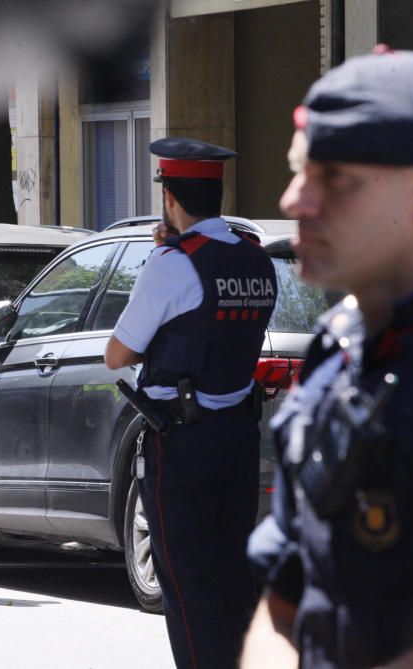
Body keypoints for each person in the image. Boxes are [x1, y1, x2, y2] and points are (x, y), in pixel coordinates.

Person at [242, 49, 413, 669]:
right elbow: (287, 597)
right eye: (298, 172)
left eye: (334, 177)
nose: (294, 200)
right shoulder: (336, 348)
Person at [105, 138, 278, 669]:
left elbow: (119, 353)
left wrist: (167, 254)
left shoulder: (171, 263)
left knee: (186, 582)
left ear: (171, 199)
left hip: (183, 444)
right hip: (238, 436)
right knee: (233, 576)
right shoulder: (256, 259)